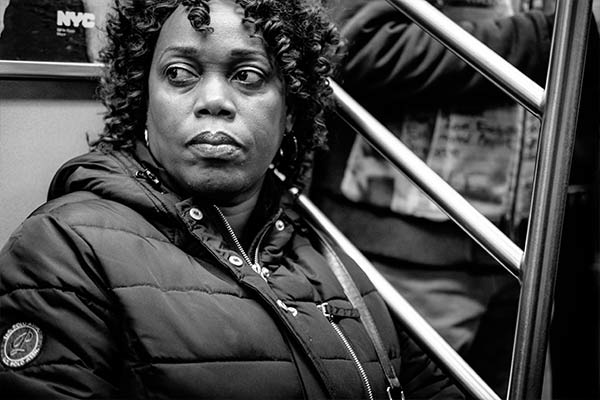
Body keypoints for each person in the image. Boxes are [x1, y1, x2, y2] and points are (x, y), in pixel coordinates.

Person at [0, 0, 464, 399]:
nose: (214, 100)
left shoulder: (329, 256)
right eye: (180, 74)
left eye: (247, 75)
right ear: (144, 99)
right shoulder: (63, 248)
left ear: (290, 113)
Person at [311, 0, 559, 397]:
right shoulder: (548, 37)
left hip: (527, 254)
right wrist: (555, 39)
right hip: (404, 252)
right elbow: (356, 44)